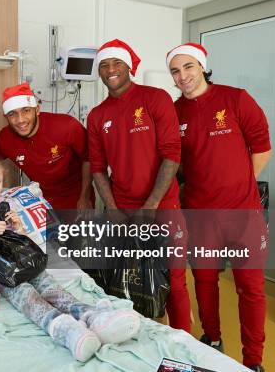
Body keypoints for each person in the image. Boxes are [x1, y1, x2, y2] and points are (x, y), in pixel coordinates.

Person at [0, 157, 141, 363]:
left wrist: (18, 227)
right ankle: (67, 331)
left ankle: (93, 316)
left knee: (51, 288)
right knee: (27, 295)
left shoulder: (7, 203)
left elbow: (23, 239)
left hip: (22, 260)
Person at [167, 43, 272, 372]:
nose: (182, 75)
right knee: (205, 280)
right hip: (200, 216)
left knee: (250, 288)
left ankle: (253, 360)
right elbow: (179, 164)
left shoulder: (236, 98)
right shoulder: (174, 111)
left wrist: (241, 185)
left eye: (188, 67)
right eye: (175, 70)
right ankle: (212, 338)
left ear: (201, 66)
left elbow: (263, 148)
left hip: (243, 216)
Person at [86, 39, 191, 331]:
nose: (110, 70)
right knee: (126, 280)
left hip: (162, 207)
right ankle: (135, 337)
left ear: (129, 66)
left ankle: (183, 346)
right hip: (121, 211)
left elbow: (172, 154)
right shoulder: (97, 116)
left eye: (116, 63)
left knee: (174, 281)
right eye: (104, 65)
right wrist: (113, 208)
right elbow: (97, 169)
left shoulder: (155, 99)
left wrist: (151, 206)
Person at [0, 82, 94, 210]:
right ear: (6, 117)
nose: (20, 120)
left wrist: (85, 197)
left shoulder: (66, 126)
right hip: (39, 198)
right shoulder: (5, 138)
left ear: (37, 110)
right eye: (12, 114)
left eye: (26, 111)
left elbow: (89, 158)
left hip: (76, 197)